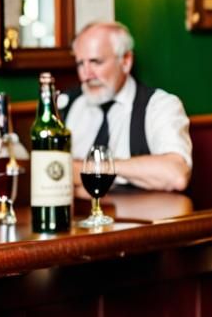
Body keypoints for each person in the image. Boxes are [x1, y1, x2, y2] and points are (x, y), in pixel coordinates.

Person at [64, 21, 192, 191]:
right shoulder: (73, 106)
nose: (86, 75)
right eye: (80, 64)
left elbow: (176, 175)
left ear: (126, 61)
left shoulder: (159, 106)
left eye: (96, 62)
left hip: (143, 208)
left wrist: (98, 167)